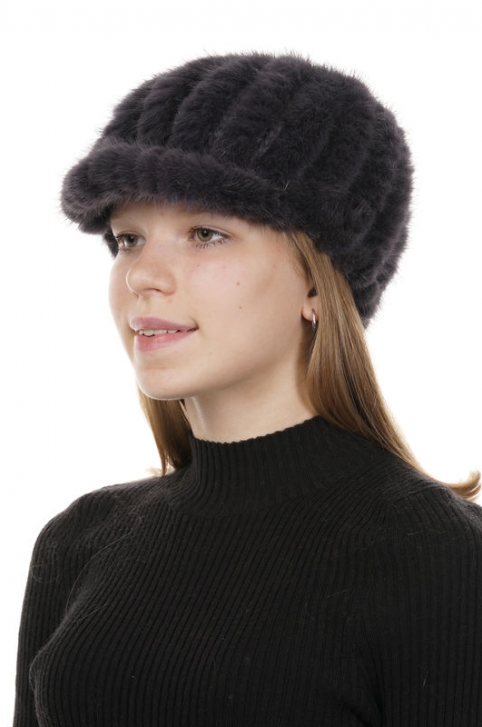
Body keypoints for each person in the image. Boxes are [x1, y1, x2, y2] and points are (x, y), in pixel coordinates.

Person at [13, 53, 482, 726]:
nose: (142, 275)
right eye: (128, 238)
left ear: (319, 281)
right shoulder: (78, 541)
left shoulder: (437, 555)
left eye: (206, 234)